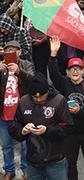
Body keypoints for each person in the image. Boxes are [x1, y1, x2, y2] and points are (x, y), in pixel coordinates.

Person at [48, 36, 84, 180]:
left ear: (83, 71)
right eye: (72, 69)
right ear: (68, 72)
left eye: (78, 69)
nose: (75, 72)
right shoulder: (64, 83)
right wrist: (53, 54)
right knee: (70, 164)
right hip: (69, 131)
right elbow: (53, 73)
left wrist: (80, 111)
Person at [10, 72, 73, 180]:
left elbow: (68, 127)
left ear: (47, 91)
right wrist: (22, 131)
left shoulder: (59, 100)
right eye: (35, 97)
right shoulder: (23, 102)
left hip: (55, 159)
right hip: (33, 160)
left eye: (42, 96)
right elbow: (13, 126)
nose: (38, 100)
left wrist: (47, 130)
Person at [0, 40, 34, 180]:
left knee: (25, 144)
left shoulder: (26, 65)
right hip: (4, 114)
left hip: (21, 115)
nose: (11, 53)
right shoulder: (1, 67)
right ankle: (9, 170)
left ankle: (26, 170)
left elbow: (34, 81)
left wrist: (19, 72)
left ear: (19, 52)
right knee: (6, 145)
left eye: (14, 51)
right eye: (8, 51)